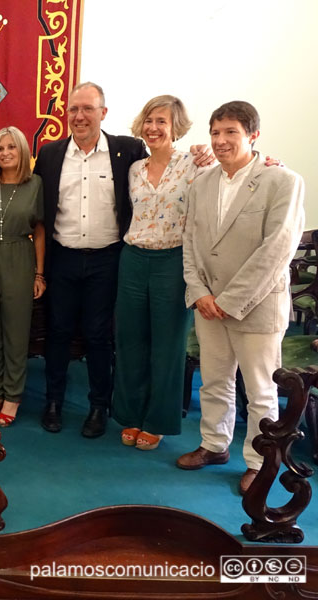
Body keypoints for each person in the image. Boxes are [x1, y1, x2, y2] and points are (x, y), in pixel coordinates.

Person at [177, 101, 304, 495]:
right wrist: (199, 293)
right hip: (207, 304)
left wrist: (228, 300)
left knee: (261, 390)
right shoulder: (202, 183)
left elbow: (277, 248)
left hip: (255, 306)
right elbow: (191, 242)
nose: (220, 141)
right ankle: (214, 445)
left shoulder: (282, 181)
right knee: (213, 382)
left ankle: (259, 461)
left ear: (253, 136)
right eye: (215, 133)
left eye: (230, 132)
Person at [33, 82, 147, 438]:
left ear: (103, 113)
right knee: (58, 332)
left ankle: (99, 405)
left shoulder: (127, 150)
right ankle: (53, 401)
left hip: (107, 260)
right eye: (73, 109)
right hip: (62, 258)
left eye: (87, 109)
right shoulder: (50, 154)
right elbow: (28, 194)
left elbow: (164, 170)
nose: (79, 116)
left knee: (99, 336)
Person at [111, 96, 205, 450]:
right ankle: (131, 415)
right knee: (131, 341)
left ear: (175, 126)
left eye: (162, 121)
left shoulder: (194, 165)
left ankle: (158, 420)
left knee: (167, 344)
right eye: (149, 120)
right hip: (133, 258)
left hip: (173, 261)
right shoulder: (135, 168)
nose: (153, 128)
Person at [0, 126, 45, 427]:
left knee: (15, 333)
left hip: (19, 256)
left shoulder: (36, 184)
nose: (5, 153)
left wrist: (39, 273)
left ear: (22, 151)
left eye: (11, 148)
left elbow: (40, 231)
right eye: (0, 148)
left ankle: (13, 395)